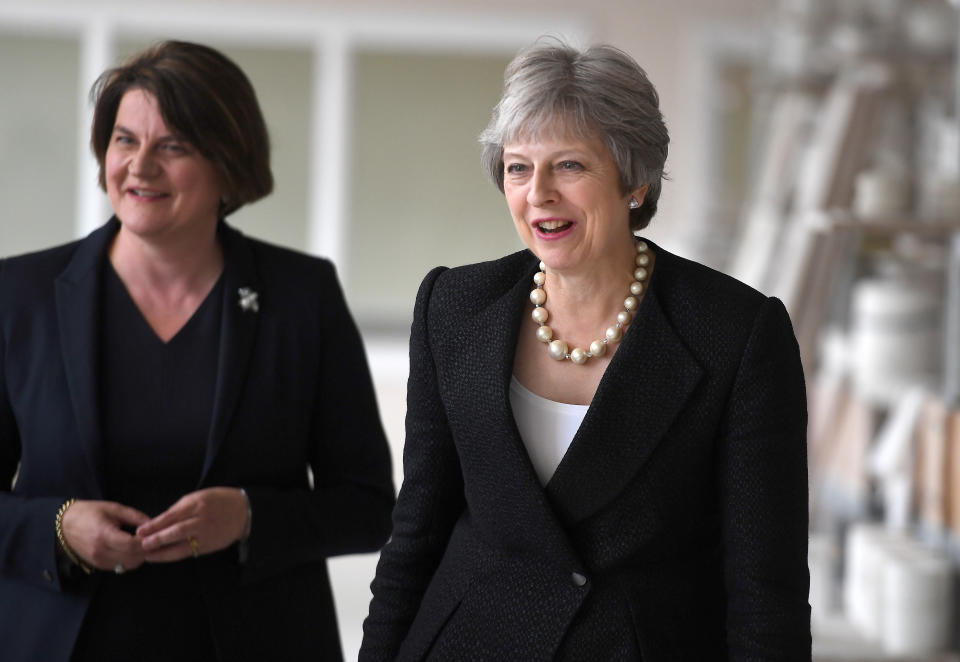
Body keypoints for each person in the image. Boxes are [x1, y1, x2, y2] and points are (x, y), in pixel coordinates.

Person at [360, 39, 810, 661]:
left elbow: (767, 591)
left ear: (635, 180)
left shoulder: (738, 332)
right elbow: (417, 532)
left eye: (569, 165)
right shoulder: (453, 305)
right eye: (518, 167)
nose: (538, 193)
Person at [0, 40, 395, 662]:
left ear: (227, 165)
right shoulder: (18, 296)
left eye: (173, 147)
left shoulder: (302, 297)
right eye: (125, 140)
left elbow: (369, 507)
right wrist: (56, 528)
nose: (139, 167)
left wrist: (247, 518)